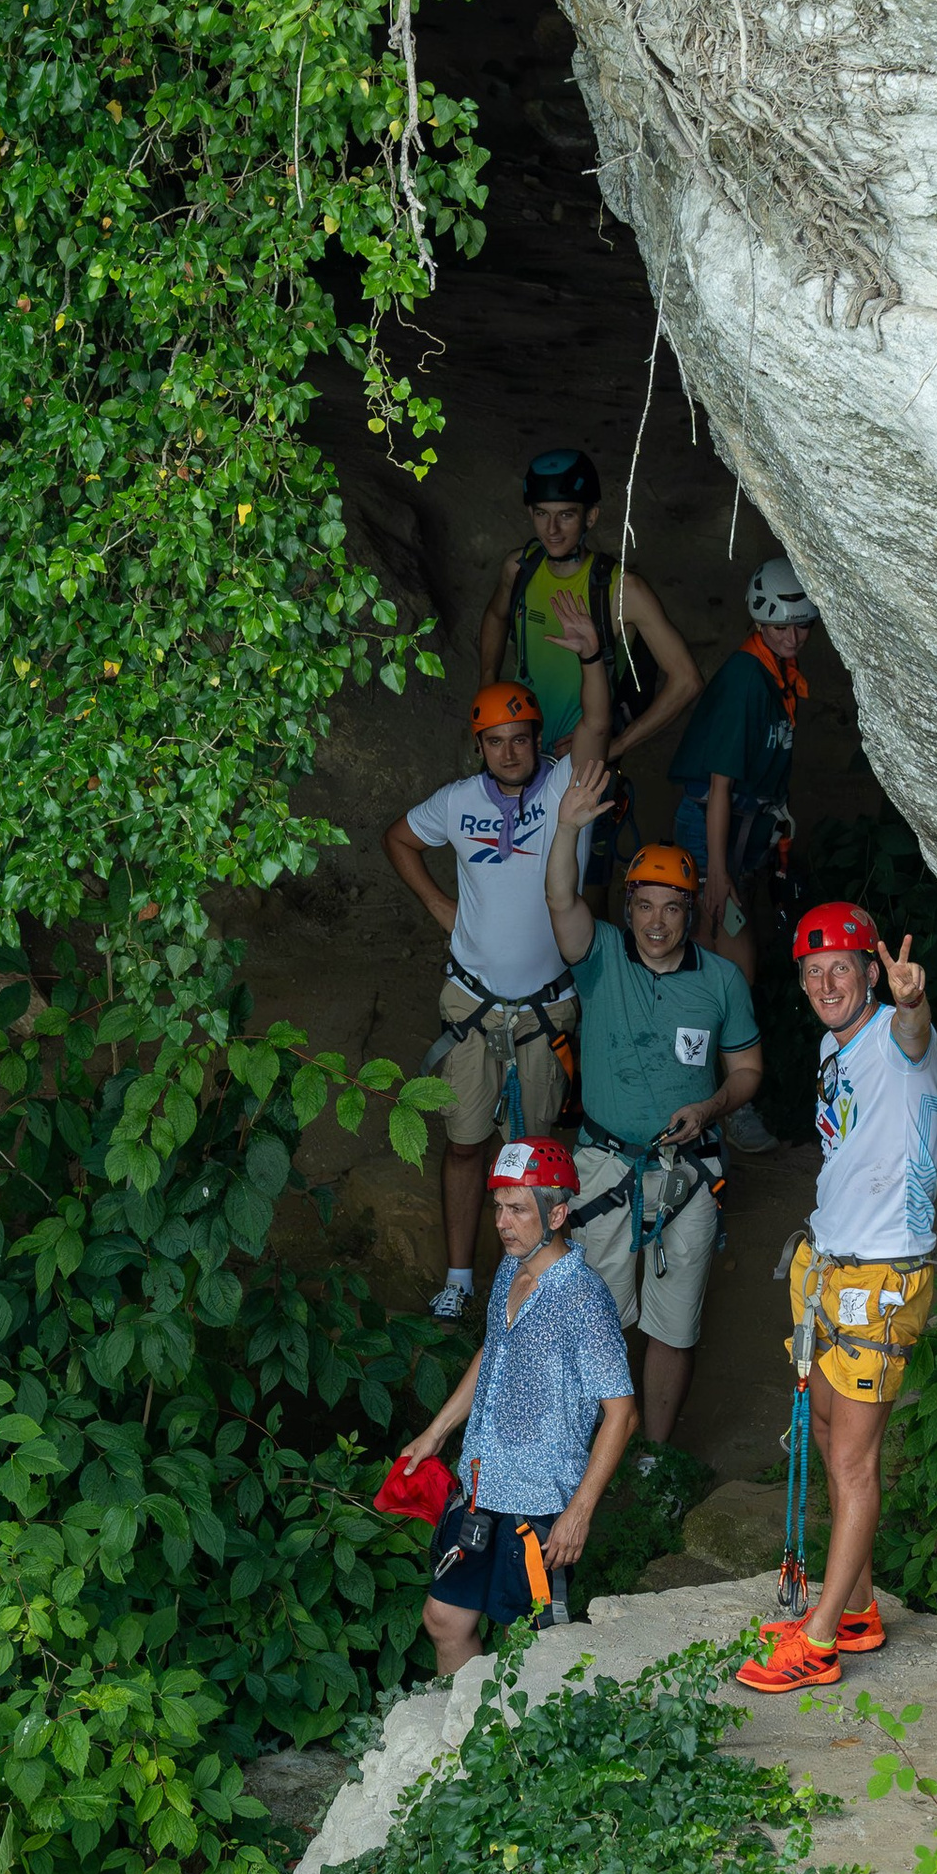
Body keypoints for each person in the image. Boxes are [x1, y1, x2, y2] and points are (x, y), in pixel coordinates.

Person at [737, 899, 937, 1695]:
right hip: (830, 1267)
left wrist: (912, 997)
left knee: (854, 1457)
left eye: (842, 969)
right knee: (827, 1433)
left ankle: (820, 1639)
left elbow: (915, 1031)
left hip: (881, 1281)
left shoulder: (897, 1039)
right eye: (813, 971)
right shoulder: (835, 1043)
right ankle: (855, 1606)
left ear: (870, 973)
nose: (827, 982)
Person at [383, 622, 609, 1321]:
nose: (509, 752)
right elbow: (398, 838)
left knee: (534, 1156)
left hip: (546, 1007)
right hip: (474, 1003)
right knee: (464, 1146)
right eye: (495, 741)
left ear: (539, 738)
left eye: (520, 738)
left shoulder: (570, 784)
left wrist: (593, 654)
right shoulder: (457, 802)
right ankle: (458, 1277)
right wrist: (439, 905)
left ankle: (529, 1285)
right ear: (478, 744)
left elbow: (598, 722)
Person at [541, 759, 763, 1449]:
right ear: (627, 906)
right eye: (644, 904)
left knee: (674, 1323)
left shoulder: (721, 980)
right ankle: (587, 1449)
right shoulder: (602, 956)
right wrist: (567, 829)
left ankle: (655, 1459)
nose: (658, 921)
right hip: (607, 1164)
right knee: (599, 1316)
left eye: (673, 906)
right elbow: (560, 904)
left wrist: (714, 1106)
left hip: (686, 1170)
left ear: (691, 910)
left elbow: (749, 1068)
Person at [391, 1136, 639, 1676]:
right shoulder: (511, 1267)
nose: (503, 1222)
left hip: (540, 1505)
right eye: (498, 1207)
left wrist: (579, 1513)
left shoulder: (584, 1300)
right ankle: (471, 1745)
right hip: (482, 1487)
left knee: (529, 1646)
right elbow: (493, 1350)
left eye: (518, 1209)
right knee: (444, 1620)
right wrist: (436, 1433)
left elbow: (622, 1414)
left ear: (557, 1213)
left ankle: (523, 1757)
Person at [477, 447, 700, 891]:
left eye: (567, 516)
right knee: (512, 870)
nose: (552, 529)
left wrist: (615, 745)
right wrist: (486, 693)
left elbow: (687, 680)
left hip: (583, 761)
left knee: (581, 887)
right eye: (541, 514)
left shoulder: (621, 590)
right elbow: (497, 617)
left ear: (591, 517)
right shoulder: (519, 568)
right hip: (520, 747)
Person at [666, 554, 817, 1145]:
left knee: (730, 974)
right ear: (759, 619)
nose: (791, 635)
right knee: (716, 974)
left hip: (743, 837)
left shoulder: (779, 677)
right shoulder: (744, 680)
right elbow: (720, 790)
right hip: (715, 835)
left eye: (802, 625)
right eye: (780, 625)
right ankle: (702, 1106)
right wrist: (716, 875)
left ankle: (717, 1105)